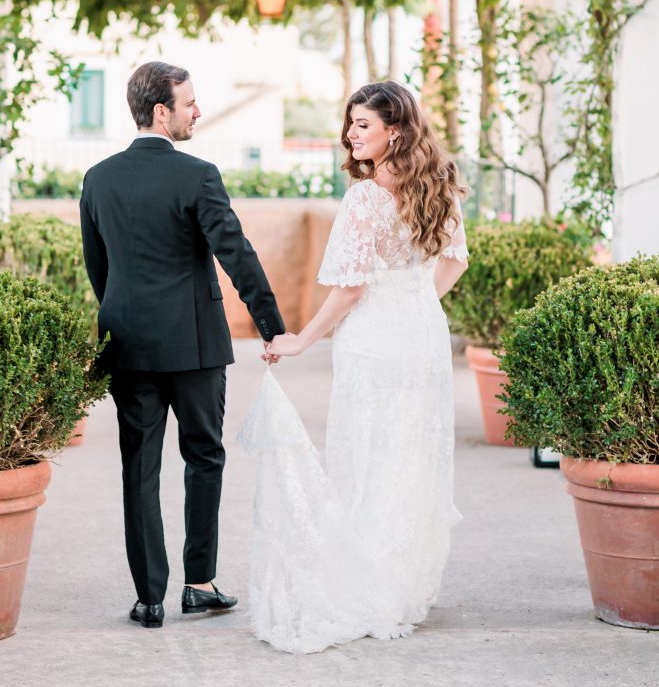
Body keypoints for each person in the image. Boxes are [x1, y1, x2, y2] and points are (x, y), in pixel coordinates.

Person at [239, 80, 469, 653]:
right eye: (350, 124)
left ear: (395, 129)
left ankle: (373, 583)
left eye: (362, 125)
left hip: (374, 339)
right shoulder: (439, 182)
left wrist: (301, 341)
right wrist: (415, 303)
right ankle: (404, 585)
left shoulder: (366, 196)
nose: (350, 133)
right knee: (411, 453)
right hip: (421, 333)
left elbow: (348, 290)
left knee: (370, 452)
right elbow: (455, 263)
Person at [80, 61, 285, 629]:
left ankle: (149, 599)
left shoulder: (97, 178)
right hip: (195, 346)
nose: (199, 110)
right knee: (204, 457)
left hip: (130, 345)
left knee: (139, 467)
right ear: (161, 112)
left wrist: (122, 314)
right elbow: (235, 252)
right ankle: (199, 584)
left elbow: (100, 268)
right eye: (190, 102)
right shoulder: (198, 174)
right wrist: (271, 325)